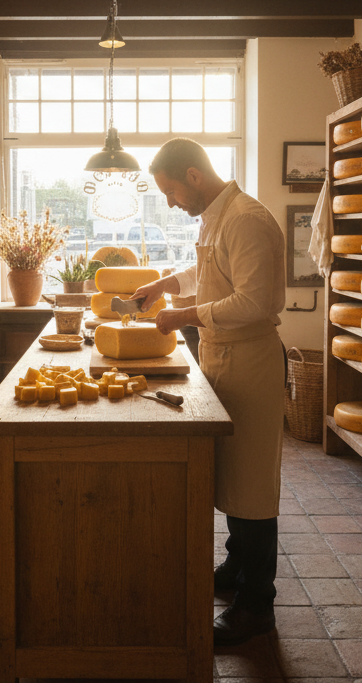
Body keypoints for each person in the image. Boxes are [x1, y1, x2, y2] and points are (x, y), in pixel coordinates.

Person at [131, 137, 286, 647]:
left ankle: (256, 604)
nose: (172, 202)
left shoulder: (245, 218)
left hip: (252, 360)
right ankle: (237, 567)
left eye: (172, 191)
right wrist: (164, 286)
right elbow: (211, 274)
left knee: (254, 485)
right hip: (224, 355)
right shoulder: (217, 217)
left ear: (194, 176)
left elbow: (253, 300)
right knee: (234, 474)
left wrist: (183, 315)